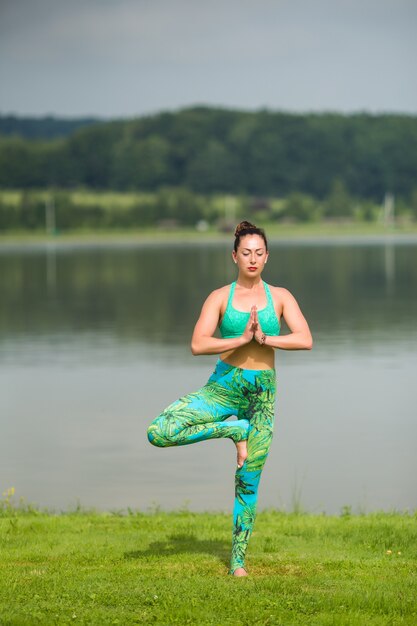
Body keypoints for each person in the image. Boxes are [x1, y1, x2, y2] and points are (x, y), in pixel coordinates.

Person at [147, 221, 313, 576]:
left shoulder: (280, 297)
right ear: (234, 256)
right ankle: (233, 431)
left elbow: (304, 338)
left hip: (262, 396)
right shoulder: (219, 297)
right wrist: (240, 340)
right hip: (223, 388)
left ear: (267, 257)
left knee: (248, 479)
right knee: (160, 431)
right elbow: (198, 344)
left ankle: (237, 562)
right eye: (245, 252)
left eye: (258, 253)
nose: (252, 258)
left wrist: (266, 338)